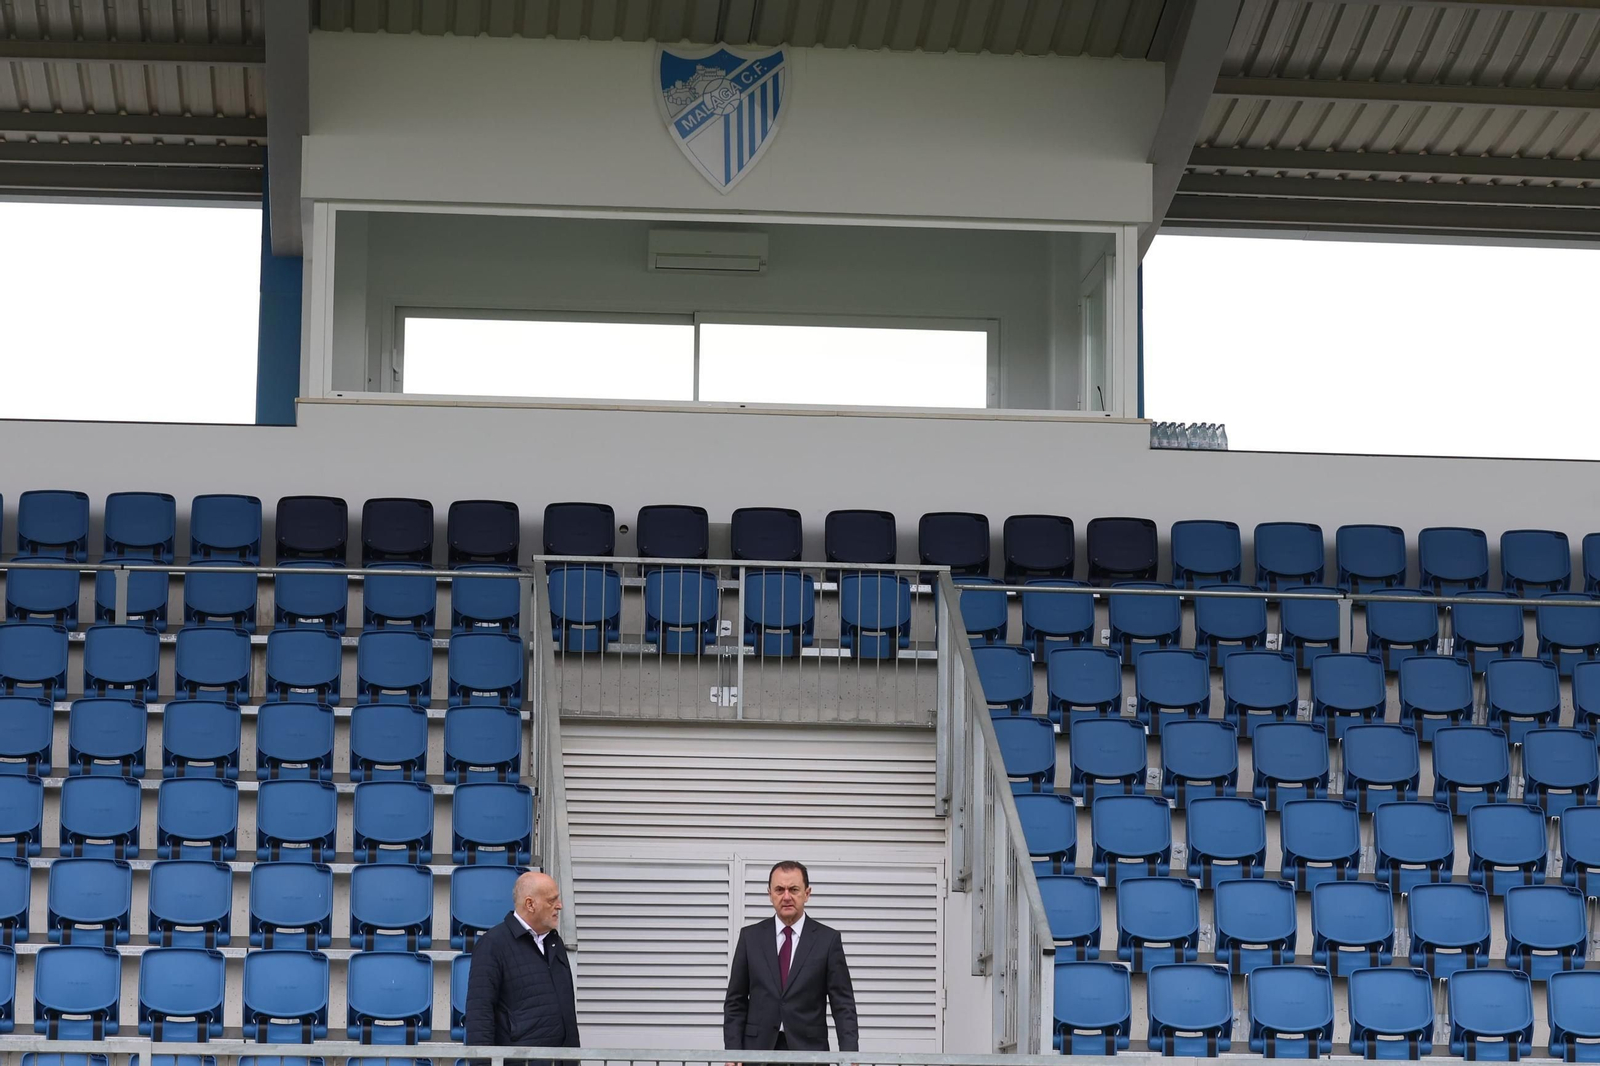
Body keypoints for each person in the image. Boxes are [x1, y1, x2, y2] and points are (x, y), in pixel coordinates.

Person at [724, 860, 859, 1057]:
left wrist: (850, 1055)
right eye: (779, 889)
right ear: (769, 894)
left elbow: (843, 1004)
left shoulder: (828, 940)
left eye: (794, 889)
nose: (786, 896)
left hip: (810, 1053)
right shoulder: (749, 938)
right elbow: (735, 1001)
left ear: (807, 893)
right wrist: (732, 1052)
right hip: (756, 1053)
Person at [464, 870, 580, 1062]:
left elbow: (567, 1010)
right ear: (530, 904)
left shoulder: (555, 942)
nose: (559, 906)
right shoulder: (493, 944)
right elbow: (479, 1014)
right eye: (552, 900)